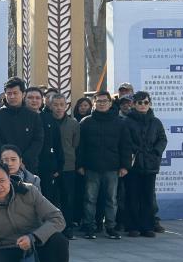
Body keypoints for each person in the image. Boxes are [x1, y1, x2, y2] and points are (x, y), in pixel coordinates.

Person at [77, 91, 132, 239]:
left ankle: (110, 227)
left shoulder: (120, 122)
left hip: (112, 168)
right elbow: (80, 146)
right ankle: (89, 226)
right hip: (91, 167)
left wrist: (125, 166)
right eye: (98, 101)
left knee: (111, 200)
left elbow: (125, 146)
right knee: (90, 199)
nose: (101, 104)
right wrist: (80, 165)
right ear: (94, 103)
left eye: (104, 101)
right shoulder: (86, 122)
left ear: (110, 103)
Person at [124, 91, 167, 237]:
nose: (143, 105)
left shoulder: (156, 122)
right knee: (132, 196)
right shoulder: (127, 121)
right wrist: (135, 151)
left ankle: (147, 227)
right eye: (140, 102)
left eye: (146, 102)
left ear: (150, 104)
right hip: (133, 164)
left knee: (148, 197)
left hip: (150, 164)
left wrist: (155, 152)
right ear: (134, 104)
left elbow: (162, 139)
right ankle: (132, 226)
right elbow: (125, 141)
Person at [0, 77, 44, 175]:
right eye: (9, 93)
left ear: (23, 94)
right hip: (4, 166)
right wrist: (10, 160)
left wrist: (22, 160)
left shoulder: (33, 116)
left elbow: (38, 140)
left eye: (15, 93)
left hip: (28, 166)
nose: (12, 96)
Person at [48, 94, 81, 238]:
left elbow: (76, 144)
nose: (59, 108)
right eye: (55, 104)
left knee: (68, 198)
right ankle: (53, 227)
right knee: (51, 199)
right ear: (50, 106)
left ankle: (68, 227)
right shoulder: (46, 121)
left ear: (66, 106)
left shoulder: (73, 124)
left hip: (68, 166)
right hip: (51, 167)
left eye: (62, 104)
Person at [26, 87, 62, 203]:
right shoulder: (20, 117)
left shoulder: (49, 118)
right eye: (30, 97)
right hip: (26, 165)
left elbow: (57, 144)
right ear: (24, 98)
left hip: (47, 166)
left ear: (42, 100)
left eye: (37, 98)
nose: (34, 100)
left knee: (47, 199)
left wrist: (59, 166)